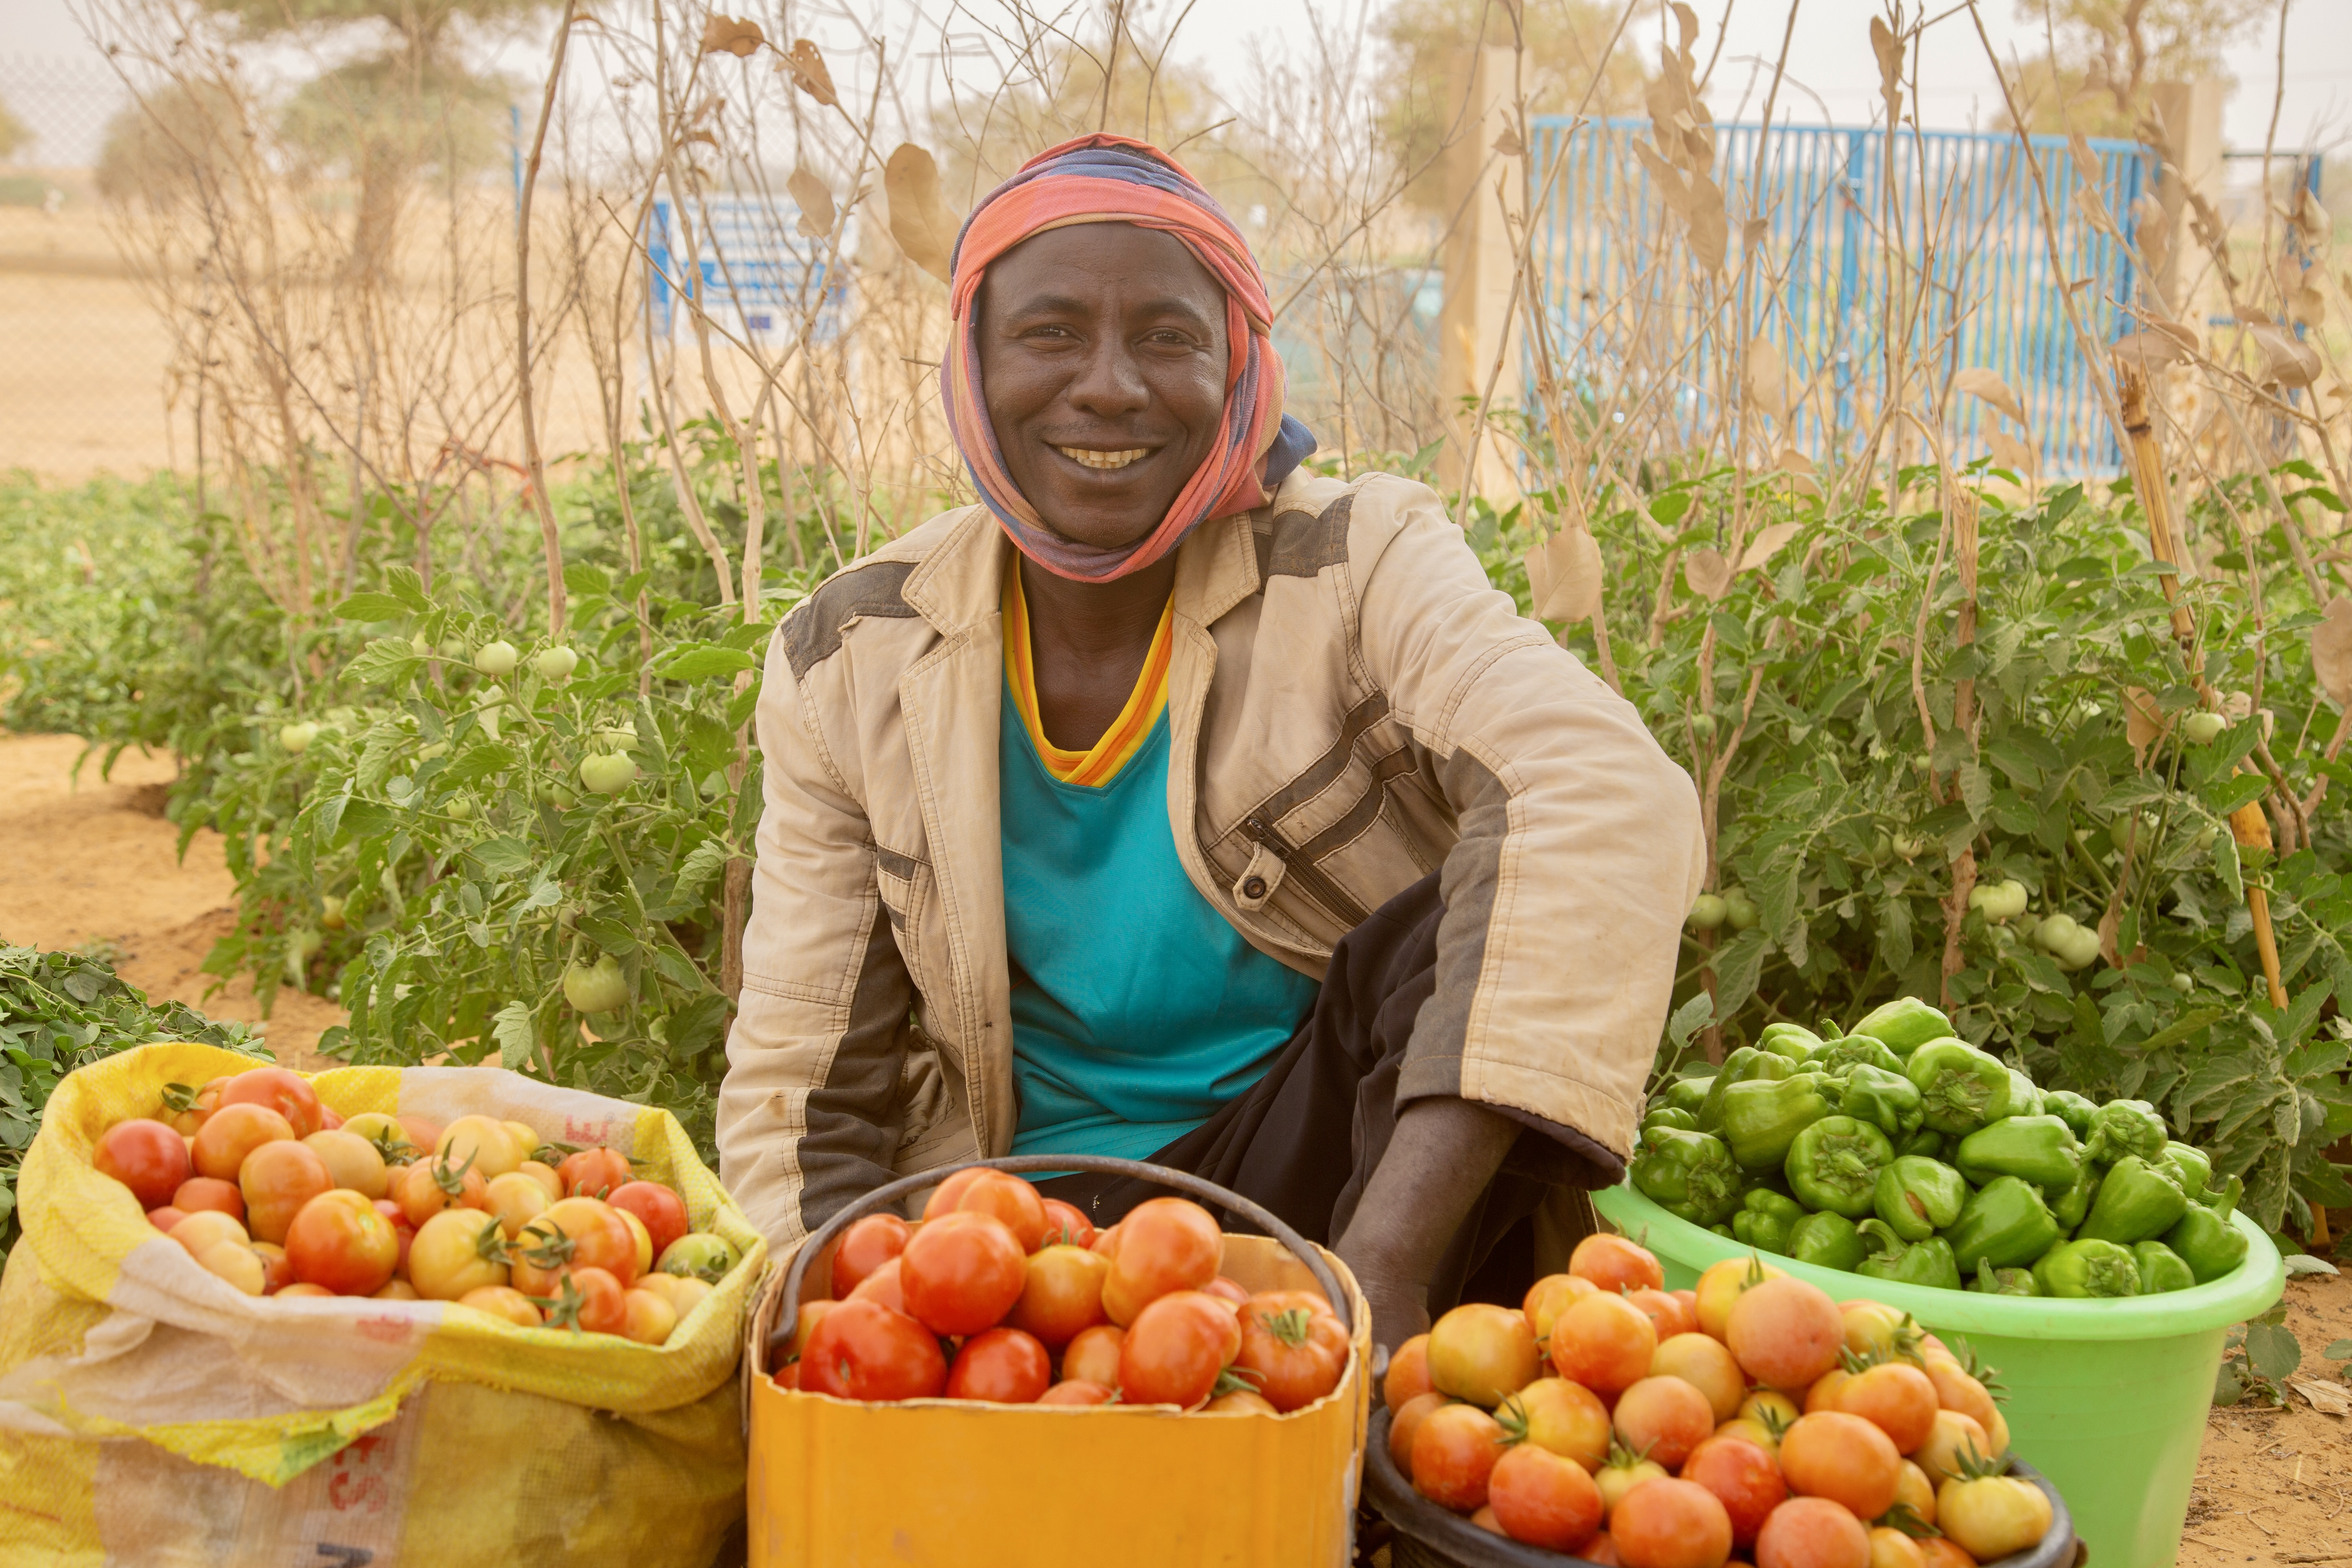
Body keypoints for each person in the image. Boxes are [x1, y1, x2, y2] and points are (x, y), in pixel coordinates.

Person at [717, 133, 1703, 1351]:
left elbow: (1607, 790)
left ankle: (1401, 1324)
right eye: (1051, 333)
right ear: (971, 365)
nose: (1112, 387)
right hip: (1015, 1233)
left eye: (1171, 337)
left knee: (1449, 921)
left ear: (1240, 363)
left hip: (1325, 1182)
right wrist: (824, 1341)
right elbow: (803, 1084)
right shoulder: (853, 653)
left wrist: (1377, 1271)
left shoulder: (1353, 559)